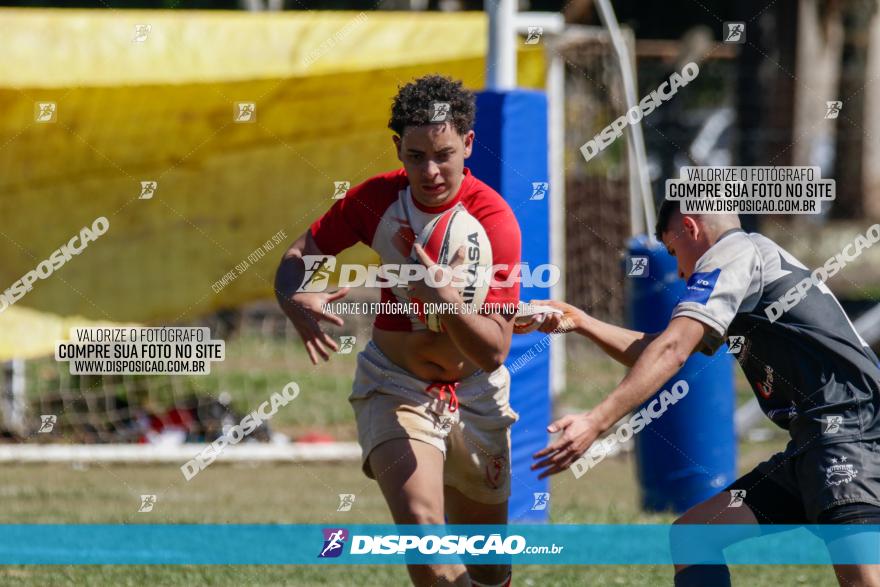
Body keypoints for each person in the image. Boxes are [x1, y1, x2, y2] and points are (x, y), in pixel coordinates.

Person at [531, 200, 880, 586]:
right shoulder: (752, 258)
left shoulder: (730, 253)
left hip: (848, 436)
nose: (680, 272)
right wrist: (582, 322)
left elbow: (672, 351)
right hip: (815, 442)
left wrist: (595, 422)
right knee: (696, 535)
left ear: (691, 228)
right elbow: (660, 349)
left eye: (673, 251)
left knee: (862, 579)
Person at [274, 74, 521, 587]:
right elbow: (298, 258)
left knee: (489, 568)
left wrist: (445, 301)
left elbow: (495, 350)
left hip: (477, 392)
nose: (430, 171)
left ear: (468, 144)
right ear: (397, 149)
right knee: (425, 542)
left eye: (444, 154)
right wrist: (293, 296)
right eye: (415, 157)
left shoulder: (494, 220)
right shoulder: (375, 200)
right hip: (395, 385)